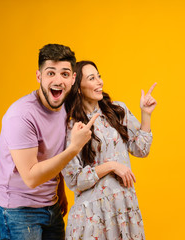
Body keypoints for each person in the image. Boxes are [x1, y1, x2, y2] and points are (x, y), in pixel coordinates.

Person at [0, 44, 99, 240]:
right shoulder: (21, 116)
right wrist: (75, 148)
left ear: (73, 79)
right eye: (51, 73)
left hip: (50, 205)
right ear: (39, 76)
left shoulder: (66, 108)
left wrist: (59, 192)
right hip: (17, 210)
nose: (58, 80)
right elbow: (31, 178)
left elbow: (53, 154)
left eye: (65, 74)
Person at [62, 61, 157, 240]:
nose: (100, 82)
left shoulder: (117, 111)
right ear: (79, 88)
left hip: (123, 207)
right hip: (92, 216)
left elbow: (141, 149)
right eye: (92, 78)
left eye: (99, 76)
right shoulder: (71, 126)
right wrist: (112, 166)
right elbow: (75, 180)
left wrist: (146, 114)